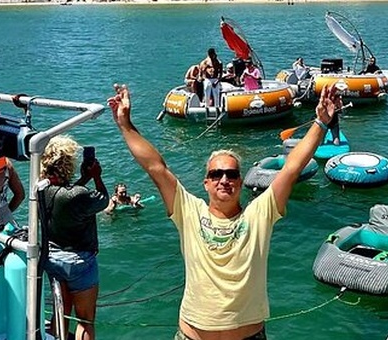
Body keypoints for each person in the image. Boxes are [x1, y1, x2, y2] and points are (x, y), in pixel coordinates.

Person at [108, 83, 341, 340]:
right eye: (216, 174)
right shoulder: (188, 211)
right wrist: (125, 125)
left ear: (241, 182)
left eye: (231, 174)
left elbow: (291, 168)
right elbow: (156, 167)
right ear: (205, 183)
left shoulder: (259, 214)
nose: (224, 179)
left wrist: (320, 123)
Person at [39, 136, 109, 340]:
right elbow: (103, 201)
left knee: (61, 313)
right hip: (78, 262)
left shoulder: (41, 189)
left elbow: (65, 197)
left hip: (52, 258)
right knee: (85, 320)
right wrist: (96, 176)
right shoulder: (77, 194)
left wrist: (83, 180)